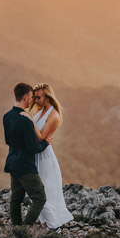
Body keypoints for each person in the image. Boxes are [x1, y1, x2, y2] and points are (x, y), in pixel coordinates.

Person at [24, 83, 74, 229]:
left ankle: (54, 226)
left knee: (45, 191)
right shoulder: (40, 112)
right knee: (37, 191)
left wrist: (28, 121)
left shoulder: (54, 115)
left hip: (44, 157)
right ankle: (46, 224)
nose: (36, 101)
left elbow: (41, 138)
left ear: (47, 97)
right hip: (35, 155)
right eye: (35, 98)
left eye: (38, 97)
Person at [3, 82, 50, 226]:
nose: (32, 100)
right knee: (40, 198)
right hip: (25, 166)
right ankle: (25, 227)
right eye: (31, 97)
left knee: (16, 199)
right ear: (25, 97)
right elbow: (33, 148)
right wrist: (46, 142)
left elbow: (8, 140)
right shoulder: (25, 120)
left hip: (12, 163)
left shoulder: (7, 116)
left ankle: (16, 228)